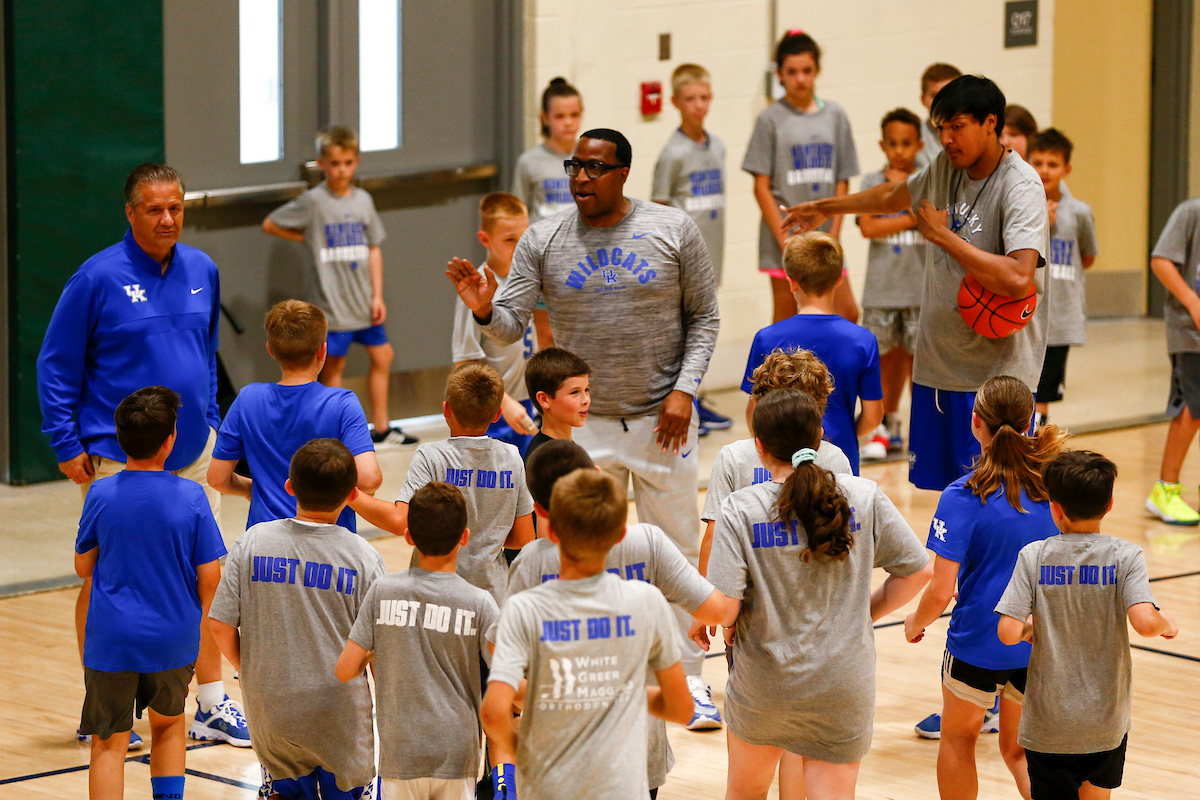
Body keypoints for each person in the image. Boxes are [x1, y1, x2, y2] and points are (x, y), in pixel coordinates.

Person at [447, 127, 720, 719]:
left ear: (623, 173)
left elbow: (706, 318)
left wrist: (684, 391)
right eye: (575, 167)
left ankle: (691, 679)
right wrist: (484, 308)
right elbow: (508, 324)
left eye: (595, 169)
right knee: (586, 551)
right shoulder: (544, 238)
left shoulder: (673, 230)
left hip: (662, 420)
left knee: (672, 548)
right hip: (583, 426)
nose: (580, 178)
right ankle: (595, 665)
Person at [36, 162, 246, 748]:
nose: (167, 218)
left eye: (176, 207)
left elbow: (205, 357)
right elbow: (55, 365)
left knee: (206, 576)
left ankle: (209, 701)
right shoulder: (95, 278)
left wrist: (210, 425)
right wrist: (64, 441)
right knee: (106, 575)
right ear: (130, 213)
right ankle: (101, 705)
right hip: (115, 455)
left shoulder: (203, 269)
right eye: (154, 209)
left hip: (193, 448)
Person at [782, 74, 1050, 492]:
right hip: (939, 366)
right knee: (948, 494)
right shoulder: (946, 167)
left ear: (990, 123)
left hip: (996, 378)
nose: (946, 138)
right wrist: (823, 207)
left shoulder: (1021, 185)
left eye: (956, 127)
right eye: (940, 128)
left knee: (999, 495)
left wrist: (942, 236)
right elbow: (892, 196)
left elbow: (1018, 277)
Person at [694, 388, 931, 800]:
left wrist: (723, 622)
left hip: (765, 683)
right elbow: (919, 571)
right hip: (844, 683)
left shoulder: (740, 508)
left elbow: (727, 607)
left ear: (759, 446)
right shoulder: (863, 496)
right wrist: (866, 612)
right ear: (819, 437)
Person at [481, 469, 694, 800]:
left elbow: (493, 712)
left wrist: (524, 753)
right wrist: (621, 690)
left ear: (550, 530)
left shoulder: (523, 608)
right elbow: (682, 709)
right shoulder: (646, 602)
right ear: (620, 534)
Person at [903, 376, 1067, 799]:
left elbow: (941, 590)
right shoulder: (1055, 487)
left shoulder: (963, 494)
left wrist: (914, 622)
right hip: (1039, 640)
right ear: (1031, 420)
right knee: (1018, 750)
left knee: (959, 739)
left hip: (977, 641)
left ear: (975, 423)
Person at [511, 439, 729, 748]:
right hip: (639, 748)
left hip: (561, 748)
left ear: (540, 509)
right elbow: (718, 611)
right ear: (600, 475)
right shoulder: (646, 545)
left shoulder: (531, 561)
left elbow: (499, 659)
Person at [208, 439, 387, 799]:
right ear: (352, 494)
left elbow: (220, 624)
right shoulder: (364, 557)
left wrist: (251, 667)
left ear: (289, 487)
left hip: (272, 709)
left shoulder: (252, 542)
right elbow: (380, 650)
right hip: (341, 715)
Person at [998, 450, 1180, 800]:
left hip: (1048, 724)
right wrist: (1166, 623)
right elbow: (1144, 623)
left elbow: (1007, 632)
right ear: (1109, 504)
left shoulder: (1033, 555)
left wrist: (1032, 627)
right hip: (1105, 722)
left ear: (1054, 507)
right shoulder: (1126, 556)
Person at [75, 387, 226, 800]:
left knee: (109, 742)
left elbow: (83, 567)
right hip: (173, 639)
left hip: (112, 641)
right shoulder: (192, 496)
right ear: (171, 439)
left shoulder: (101, 495)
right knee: (169, 725)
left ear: (119, 437)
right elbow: (210, 577)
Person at [336, 481, 501, 800]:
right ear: (464, 537)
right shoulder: (480, 603)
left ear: (408, 536)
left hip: (401, 754)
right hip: (457, 755)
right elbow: (506, 683)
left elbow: (344, 670)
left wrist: (373, 654)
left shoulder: (382, 591)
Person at [263, 125, 416, 447]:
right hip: (332, 305)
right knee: (333, 366)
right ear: (322, 164)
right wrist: (306, 237)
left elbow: (374, 247)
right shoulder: (314, 202)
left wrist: (377, 295)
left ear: (356, 161)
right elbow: (270, 223)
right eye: (334, 163)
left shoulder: (363, 200)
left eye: (347, 162)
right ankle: (332, 434)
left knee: (383, 356)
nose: (341, 169)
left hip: (363, 301)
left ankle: (383, 428)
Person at [350, 364, 535, 606]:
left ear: (446, 409)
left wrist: (350, 494)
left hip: (430, 594)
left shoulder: (431, 456)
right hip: (492, 598)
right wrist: (486, 537)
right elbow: (524, 537)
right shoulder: (512, 457)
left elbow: (400, 522)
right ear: (497, 414)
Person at [207, 300, 382, 531]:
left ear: (271, 350)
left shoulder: (248, 399)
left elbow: (217, 478)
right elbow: (369, 480)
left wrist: (254, 490)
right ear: (323, 350)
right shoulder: (342, 403)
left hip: (266, 541)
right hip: (330, 539)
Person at [742, 232, 883, 474]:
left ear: (792, 281)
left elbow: (753, 413)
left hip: (781, 461)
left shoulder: (767, 338)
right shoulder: (862, 340)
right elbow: (873, 416)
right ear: (839, 279)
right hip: (841, 459)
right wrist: (846, 434)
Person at [702, 350, 853, 575]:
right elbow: (850, 538)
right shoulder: (835, 458)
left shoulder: (733, 457)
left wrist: (708, 603)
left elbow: (714, 540)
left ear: (760, 408)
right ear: (819, 412)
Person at [743, 30, 859, 324]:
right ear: (780, 74)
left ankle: (827, 372)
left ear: (817, 69)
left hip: (823, 238)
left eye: (807, 71)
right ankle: (777, 372)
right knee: (787, 319)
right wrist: (785, 240)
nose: (800, 79)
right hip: (785, 238)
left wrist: (833, 235)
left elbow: (842, 181)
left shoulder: (836, 115)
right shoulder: (769, 119)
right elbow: (761, 187)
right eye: (792, 72)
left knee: (846, 312)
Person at [652, 62, 734, 433]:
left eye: (704, 97)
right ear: (675, 102)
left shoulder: (717, 145)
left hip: (710, 253)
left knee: (702, 327)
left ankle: (695, 399)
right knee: (681, 331)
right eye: (690, 99)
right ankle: (680, 398)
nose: (698, 105)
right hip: (682, 258)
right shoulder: (672, 153)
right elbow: (660, 209)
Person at [857, 108, 928, 460]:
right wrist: (912, 217)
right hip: (882, 292)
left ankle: (924, 429)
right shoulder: (871, 180)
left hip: (921, 292)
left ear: (919, 144)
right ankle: (884, 426)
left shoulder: (929, 180)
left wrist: (907, 219)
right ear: (882, 145)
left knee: (921, 364)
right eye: (892, 144)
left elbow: (937, 223)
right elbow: (868, 226)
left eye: (906, 144)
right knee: (883, 360)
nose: (899, 151)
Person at [453, 193, 539, 455]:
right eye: (509, 240)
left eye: (524, 237)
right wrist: (506, 403)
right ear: (485, 239)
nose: (519, 246)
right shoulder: (476, 289)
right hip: (495, 409)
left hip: (531, 403)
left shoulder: (531, 278)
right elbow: (465, 363)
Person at [1028, 129, 1098, 427]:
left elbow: (1088, 256)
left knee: (1046, 390)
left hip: (1061, 317)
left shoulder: (1080, 212)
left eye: (1052, 164)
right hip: (1027, 316)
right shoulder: (1023, 207)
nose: (1045, 170)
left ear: (1066, 169)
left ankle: (1035, 445)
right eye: (1038, 162)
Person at [514, 77, 584, 349]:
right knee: (548, 338)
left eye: (574, 115)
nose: (568, 122)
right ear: (545, 118)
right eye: (560, 116)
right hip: (544, 266)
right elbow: (517, 216)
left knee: (582, 338)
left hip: (583, 262)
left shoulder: (590, 158)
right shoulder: (529, 163)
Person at [1146, 194, 1200, 524]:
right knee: (1192, 407)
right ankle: (1165, 490)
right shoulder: (1191, 212)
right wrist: (1193, 302)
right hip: (1190, 334)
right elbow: (1161, 260)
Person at [522, 346, 591, 466]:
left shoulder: (566, 449)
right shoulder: (545, 460)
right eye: (575, 392)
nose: (586, 400)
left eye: (587, 389)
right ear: (544, 399)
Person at [917, 64, 962, 168]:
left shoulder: (977, 131)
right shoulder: (913, 135)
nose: (942, 102)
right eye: (935, 96)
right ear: (923, 99)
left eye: (950, 95)